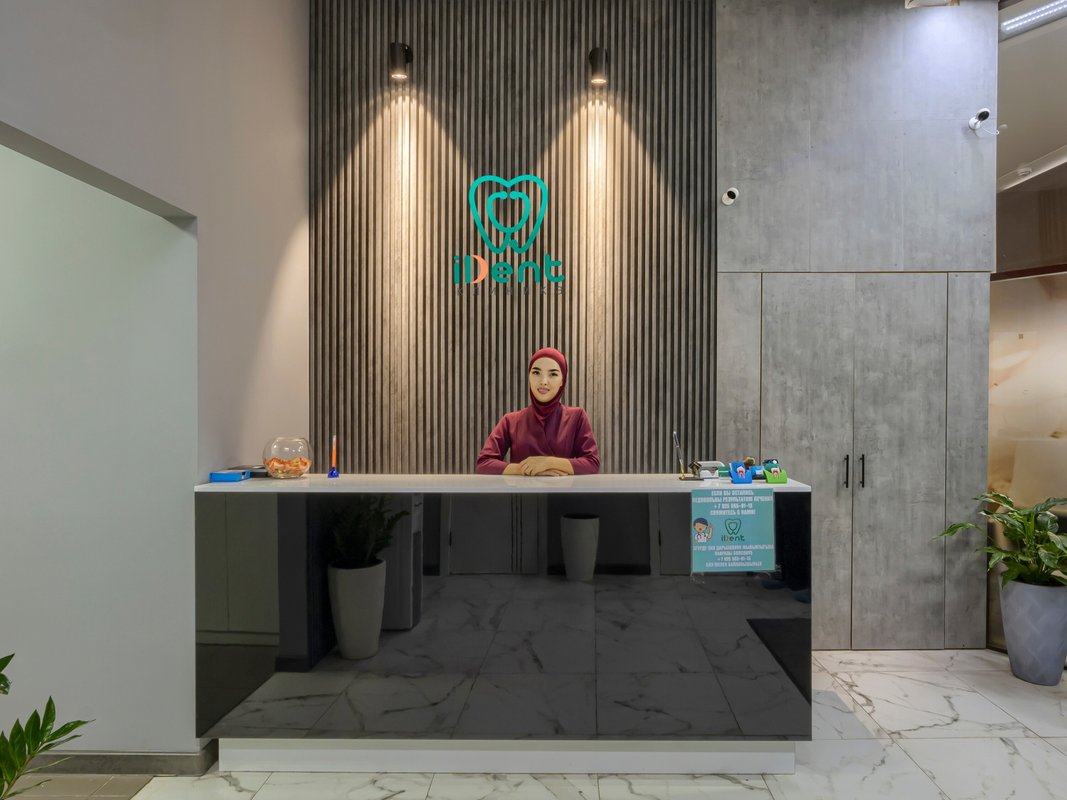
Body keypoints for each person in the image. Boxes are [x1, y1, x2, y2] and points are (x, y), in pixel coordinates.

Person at [476, 347, 600, 476]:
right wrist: (526, 469)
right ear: (529, 376)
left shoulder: (577, 417)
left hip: (563, 489)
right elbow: (483, 463)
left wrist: (549, 462)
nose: (543, 382)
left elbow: (592, 463)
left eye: (553, 374)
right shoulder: (510, 421)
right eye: (536, 372)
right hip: (521, 489)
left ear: (562, 381)